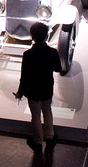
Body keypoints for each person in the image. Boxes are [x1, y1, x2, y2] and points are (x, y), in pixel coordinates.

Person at [13, 22, 62, 150]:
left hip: (33, 91)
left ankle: (38, 141)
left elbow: (24, 77)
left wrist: (20, 92)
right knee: (47, 112)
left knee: (35, 115)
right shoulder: (52, 52)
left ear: (32, 36)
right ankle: (50, 136)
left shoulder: (28, 55)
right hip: (46, 89)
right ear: (46, 36)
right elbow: (58, 68)